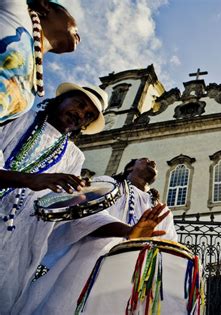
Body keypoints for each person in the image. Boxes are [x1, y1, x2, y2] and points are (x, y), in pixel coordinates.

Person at [0, 82, 166, 313]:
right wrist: (30, 180)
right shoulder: (17, 119)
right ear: (62, 98)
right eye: (79, 104)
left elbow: (79, 215)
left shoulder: (73, 157)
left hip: (19, 244)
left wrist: (128, 231)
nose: (80, 115)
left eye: (88, 115)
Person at [15, 157, 177, 315]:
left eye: (154, 163)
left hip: (133, 279)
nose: (153, 162)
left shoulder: (162, 210)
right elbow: (84, 217)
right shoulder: (107, 184)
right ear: (129, 168)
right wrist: (129, 232)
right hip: (89, 265)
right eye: (145, 160)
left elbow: (169, 245)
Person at [0, 0, 81, 124]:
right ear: (45, 5)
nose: (79, 36)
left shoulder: (33, 88)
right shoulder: (16, 9)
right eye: (76, 27)